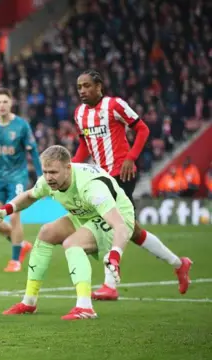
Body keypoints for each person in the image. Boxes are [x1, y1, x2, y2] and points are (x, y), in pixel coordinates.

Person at [73, 69, 192, 300]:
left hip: (121, 173)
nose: (83, 91)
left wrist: (130, 158)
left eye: (87, 86)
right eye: (79, 87)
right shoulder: (79, 114)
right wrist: (71, 167)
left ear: (99, 86)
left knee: (108, 224)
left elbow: (142, 129)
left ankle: (110, 285)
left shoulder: (115, 105)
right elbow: (84, 146)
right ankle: (179, 264)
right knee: (132, 230)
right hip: (100, 177)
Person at [0, 145, 134, 320]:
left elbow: (120, 226)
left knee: (72, 244)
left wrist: (116, 253)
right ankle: (29, 301)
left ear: (68, 168)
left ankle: (85, 307)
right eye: (45, 172)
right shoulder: (48, 180)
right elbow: (30, 196)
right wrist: (6, 209)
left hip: (116, 217)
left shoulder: (91, 187)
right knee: (46, 232)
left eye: (53, 172)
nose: (49, 177)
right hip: (85, 213)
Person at [0, 89, 42, 272]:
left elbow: (33, 151)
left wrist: (40, 175)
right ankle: (21, 245)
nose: (2, 105)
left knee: (14, 215)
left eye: (5, 101)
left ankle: (15, 260)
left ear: (11, 103)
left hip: (17, 178)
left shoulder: (21, 125)